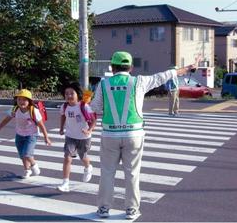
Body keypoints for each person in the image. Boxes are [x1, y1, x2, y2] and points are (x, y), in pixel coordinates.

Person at [90, 51, 199, 220]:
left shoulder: (103, 84)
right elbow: (163, 76)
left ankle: (103, 209)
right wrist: (188, 68)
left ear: (112, 67)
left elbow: (95, 108)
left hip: (110, 134)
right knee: (132, 173)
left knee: (107, 172)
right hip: (134, 134)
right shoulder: (139, 81)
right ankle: (131, 209)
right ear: (131, 67)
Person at [0, 89, 51, 178]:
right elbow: (5, 120)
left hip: (31, 135)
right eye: (19, 99)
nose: (21, 102)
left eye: (24, 99)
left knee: (27, 153)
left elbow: (41, 125)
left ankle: (34, 165)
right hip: (19, 135)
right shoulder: (14, 109)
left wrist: (46, 137)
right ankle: (27, 170)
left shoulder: (33, 111)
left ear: (29, 101)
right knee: (22, 155)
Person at [57, 82, 96, 192]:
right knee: (67, 158)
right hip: (70, 136)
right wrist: (61, 128)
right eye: (66, 93)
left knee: (83, 156)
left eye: (71, 93)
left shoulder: (84, 106)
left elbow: (93, 120)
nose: (69, 96)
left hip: (84, 137)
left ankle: (88, 167)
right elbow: (63, 116)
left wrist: (89, 130)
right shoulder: (64, 106)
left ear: (77, 94)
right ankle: (65, 183)